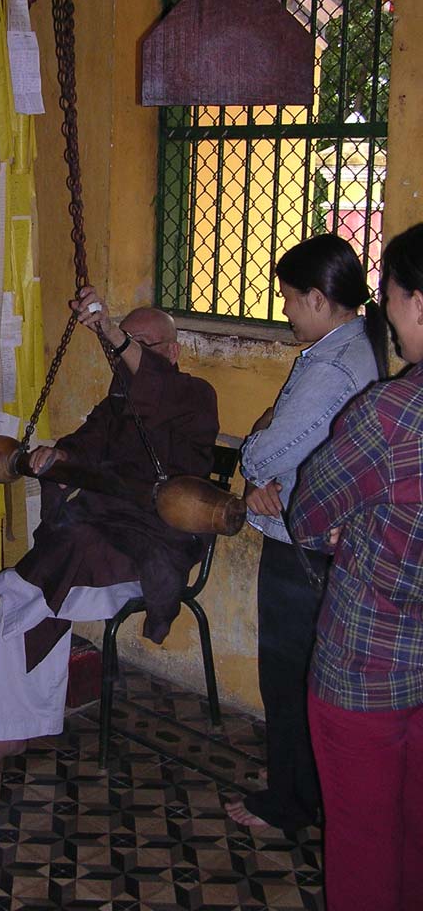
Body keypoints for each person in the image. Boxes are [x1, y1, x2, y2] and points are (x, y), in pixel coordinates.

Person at [0, 284, 218, 776]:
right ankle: (12, 732)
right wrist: (58, 455)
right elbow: (83, 444)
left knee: (58, 558)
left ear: (171, 351)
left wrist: (107, 326)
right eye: (123, 344)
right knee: (26, 605)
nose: (128, 356)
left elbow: (157, 388)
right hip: (94, 548)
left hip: (153, 548)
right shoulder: (115, 405)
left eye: (141, 346)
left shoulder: (193, 395)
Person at [226, 235, 387, 834]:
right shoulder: (360, 346)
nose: (287, 312)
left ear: (319, 299)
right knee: (307, 676)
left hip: (303, 541)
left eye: (291, 300)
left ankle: (289, 803)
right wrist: (268, 463)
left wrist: (255, 461)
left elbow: (271, 441)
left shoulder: (333, 365)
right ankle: (306, 794)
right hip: (318, 528)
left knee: (287, 676)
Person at [289, 223, 423, 911]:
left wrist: (357, 524)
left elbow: (308, 512)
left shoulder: (395, 414)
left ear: (420, 302)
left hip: (370, 659)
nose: (389, 312)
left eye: (394, 295)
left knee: (365, 839)